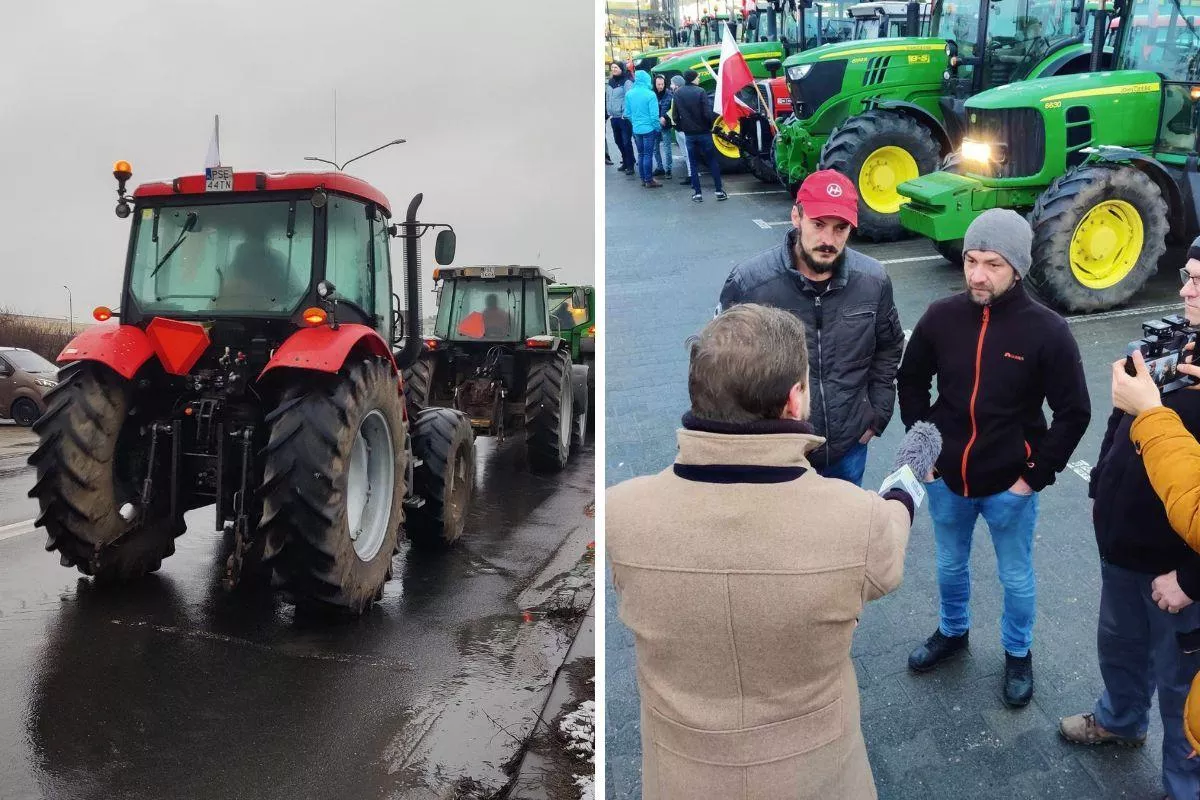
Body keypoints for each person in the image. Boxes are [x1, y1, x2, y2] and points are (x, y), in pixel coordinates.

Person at [607, 303, 919, 799]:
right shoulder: (858, 520)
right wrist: (907, 480)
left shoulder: (619, 513)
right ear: (795, 400)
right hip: (819, 780)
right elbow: (893, 536)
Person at [897, 208, 1092, 707]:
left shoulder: (1047, 331)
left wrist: (1032, 478)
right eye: (971, 260)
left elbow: (1074, 412)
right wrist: (925, 452)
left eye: (993, 264)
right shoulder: (941, 317)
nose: (977, 275)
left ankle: (1018, 653)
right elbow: (911, 379)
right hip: (947, 480)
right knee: (948, 565)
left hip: (1011, 487)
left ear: (1018, 268)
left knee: (1017, 577)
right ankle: (952, 631)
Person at [1056, 251, 1200, 800]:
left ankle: (1184, 786)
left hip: (1176, 575)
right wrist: (1099, 489)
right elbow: (1122, 420)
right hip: (1122, 550)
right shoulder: (1174, 344)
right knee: (1117, 646)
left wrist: (1191, 580)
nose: (1185, 291)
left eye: (1198, 284)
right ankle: (1119, 721)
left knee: (1182, 688)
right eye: (1188, 278)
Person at [719, 170, 904, 487]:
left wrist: (877, 413)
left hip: (848, 450)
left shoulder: (873, 281)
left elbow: (889, 346)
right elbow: (721, 369)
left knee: (843, 532)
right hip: (778, 455)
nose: (828, 241)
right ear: (796, 216)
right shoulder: (750, 284)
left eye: (840, 228)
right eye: (818, 225)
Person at [673, 69, 727, 202]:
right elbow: (706, 113)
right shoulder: (700, 91)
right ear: (693, 78)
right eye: (697, 77)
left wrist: (681, 128)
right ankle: (719, 191)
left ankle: (697, 193)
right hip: (703, 132)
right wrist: (709, 126)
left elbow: (675, 115)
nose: (699, 79)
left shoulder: (678, 93)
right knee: (712, 161)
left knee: (693, 163)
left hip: (689, 134)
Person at [624, 70, 663, 189]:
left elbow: (628, 114)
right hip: (649, 129)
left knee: (641, 154)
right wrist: (658, 128)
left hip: (636, 129)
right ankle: (649, 180)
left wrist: (635, 123)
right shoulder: (650, 94)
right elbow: (654, 116)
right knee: (648, 155)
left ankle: (643, 178)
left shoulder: (629, 94)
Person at [605, 62, 635, 175]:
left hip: (623, 117)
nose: (614, 69)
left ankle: (630, 164)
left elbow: (629, 98)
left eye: (616, 67)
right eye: (612, 67)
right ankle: (626, 161)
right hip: (614, 117)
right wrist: (609, 112)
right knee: (618, 141)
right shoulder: (611, 82)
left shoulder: (626, 81)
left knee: (626, 141)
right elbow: (608, 98)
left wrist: (625, 113)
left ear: (621, 68)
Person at [668, 75, 691, 185]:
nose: (670, 85)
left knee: (688, 153)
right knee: (686, 153)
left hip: (682, 128)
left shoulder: (679, 95)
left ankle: (692, 175)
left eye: (671, 83)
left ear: (676, 85)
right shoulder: (677, 94)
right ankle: (691, 174)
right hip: (679, 128)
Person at [652, 73, 674, 179]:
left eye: (662, 84)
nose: (660, 86)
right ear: (654, 84)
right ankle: (660, 168)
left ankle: (668, 169)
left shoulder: (669, 94)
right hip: (655, 125)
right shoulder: (651, 94)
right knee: (655, 148)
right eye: (658, 84)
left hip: (665, 125)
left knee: (667, 148)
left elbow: (673, 108)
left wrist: (665, 117)